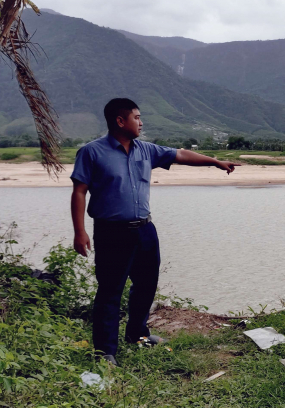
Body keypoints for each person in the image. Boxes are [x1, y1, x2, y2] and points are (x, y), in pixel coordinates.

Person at [70, 98, 240, 366]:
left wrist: (215, 162)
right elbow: (79, 192)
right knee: (110, 292)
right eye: (137, 117)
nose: (141, 122)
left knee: (146, 285)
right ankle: (105, 353)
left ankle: (138, 335)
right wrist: (80, 232)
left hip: (145, 230)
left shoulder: (146, 150)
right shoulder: (92, 152)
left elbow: (181, 154)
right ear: (120, 121)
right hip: (111, 233)